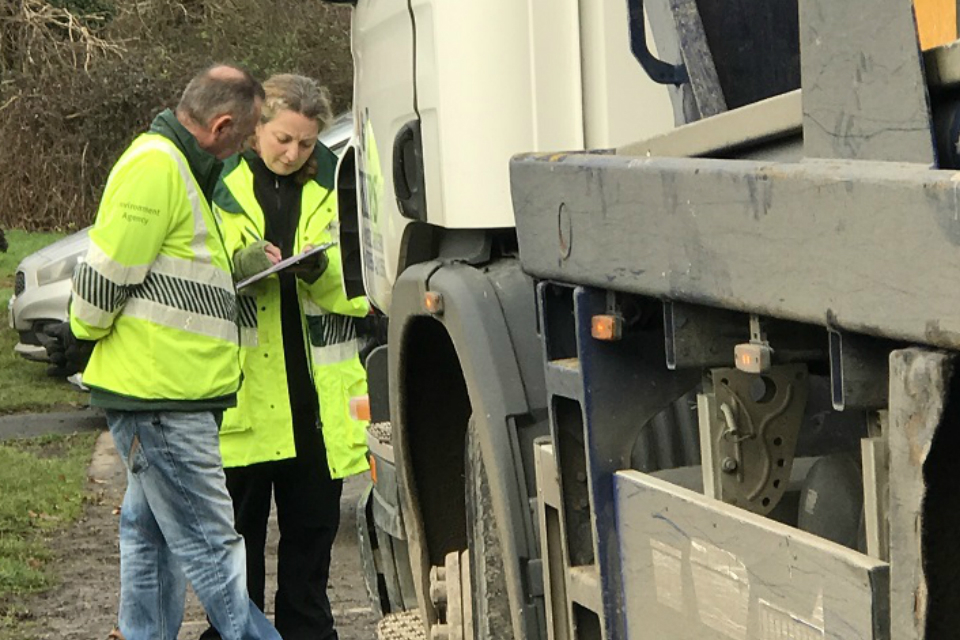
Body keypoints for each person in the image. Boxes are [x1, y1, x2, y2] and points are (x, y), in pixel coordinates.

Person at [64, 64, 282, 640]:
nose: (248, 148)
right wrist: (82, 329)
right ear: (222, 125)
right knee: (212, 548)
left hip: (164, 395)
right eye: (247, 135)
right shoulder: (158, 166)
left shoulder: (179, 167)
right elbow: (104, 280)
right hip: (163, 397)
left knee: (149, 537)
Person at [200, 74, 370, 640]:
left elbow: (365, 284)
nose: (293, 153)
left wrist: (320, 272)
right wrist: (241, 265)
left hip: (315, 406)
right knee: (236, 550)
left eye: (305, 143)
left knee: (310, 554)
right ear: (256, 129)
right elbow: (193, 273)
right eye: (282, 139)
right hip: (245, 402)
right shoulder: (216, 182)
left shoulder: (340, 184)